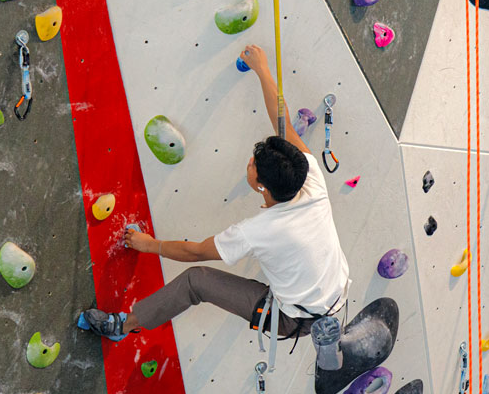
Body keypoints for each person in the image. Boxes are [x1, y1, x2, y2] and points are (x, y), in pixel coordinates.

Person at [82, 45, 350, 353]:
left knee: (196, 282)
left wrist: (149, 244)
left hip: (292, 318)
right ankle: (314, 310)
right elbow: (284, 125)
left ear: (261, 185)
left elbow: (196, 254)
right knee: (285, 259)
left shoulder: (260, 229)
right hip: (334, 295)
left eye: (253, 165)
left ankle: (122, 326)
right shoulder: (311, 178)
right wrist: (262, 69)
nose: (250, 161)